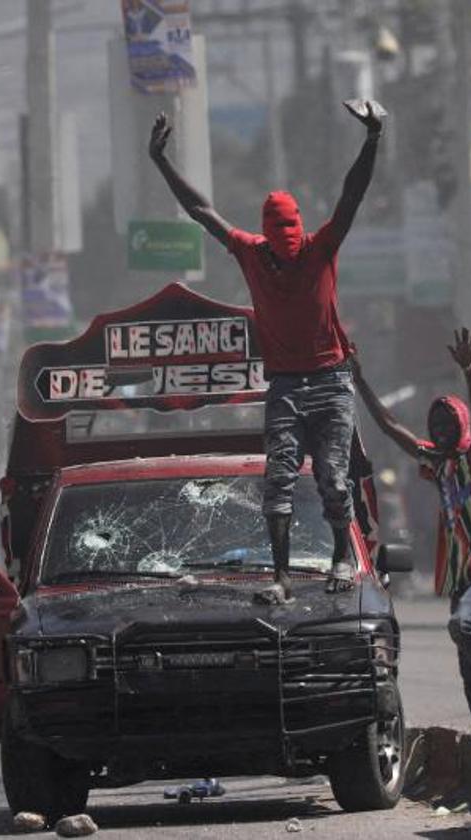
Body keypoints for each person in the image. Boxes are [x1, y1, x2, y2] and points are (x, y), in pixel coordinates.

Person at [148, 99, 384, 602]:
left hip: (330, 381)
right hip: (284, 384)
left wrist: (373, 139)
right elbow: (200, 211)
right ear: (267, 234)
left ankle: (342, 554)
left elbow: (351, 196)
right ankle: (280, 577)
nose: (287, 246)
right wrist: (161, 162)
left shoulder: (320, 249)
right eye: (280, 239)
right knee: (276, 481)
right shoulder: (251, 253)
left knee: (334, 481)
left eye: (291, 236)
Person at [354, 329, 471, 732]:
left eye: (448, 423)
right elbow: (391, 426)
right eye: (436, 423)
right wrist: (358, 380)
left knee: (462, 626)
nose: (441, 429)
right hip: (462, 576)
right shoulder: (435, 462)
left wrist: (470, 371)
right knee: (465, 649)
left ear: (460, 425)